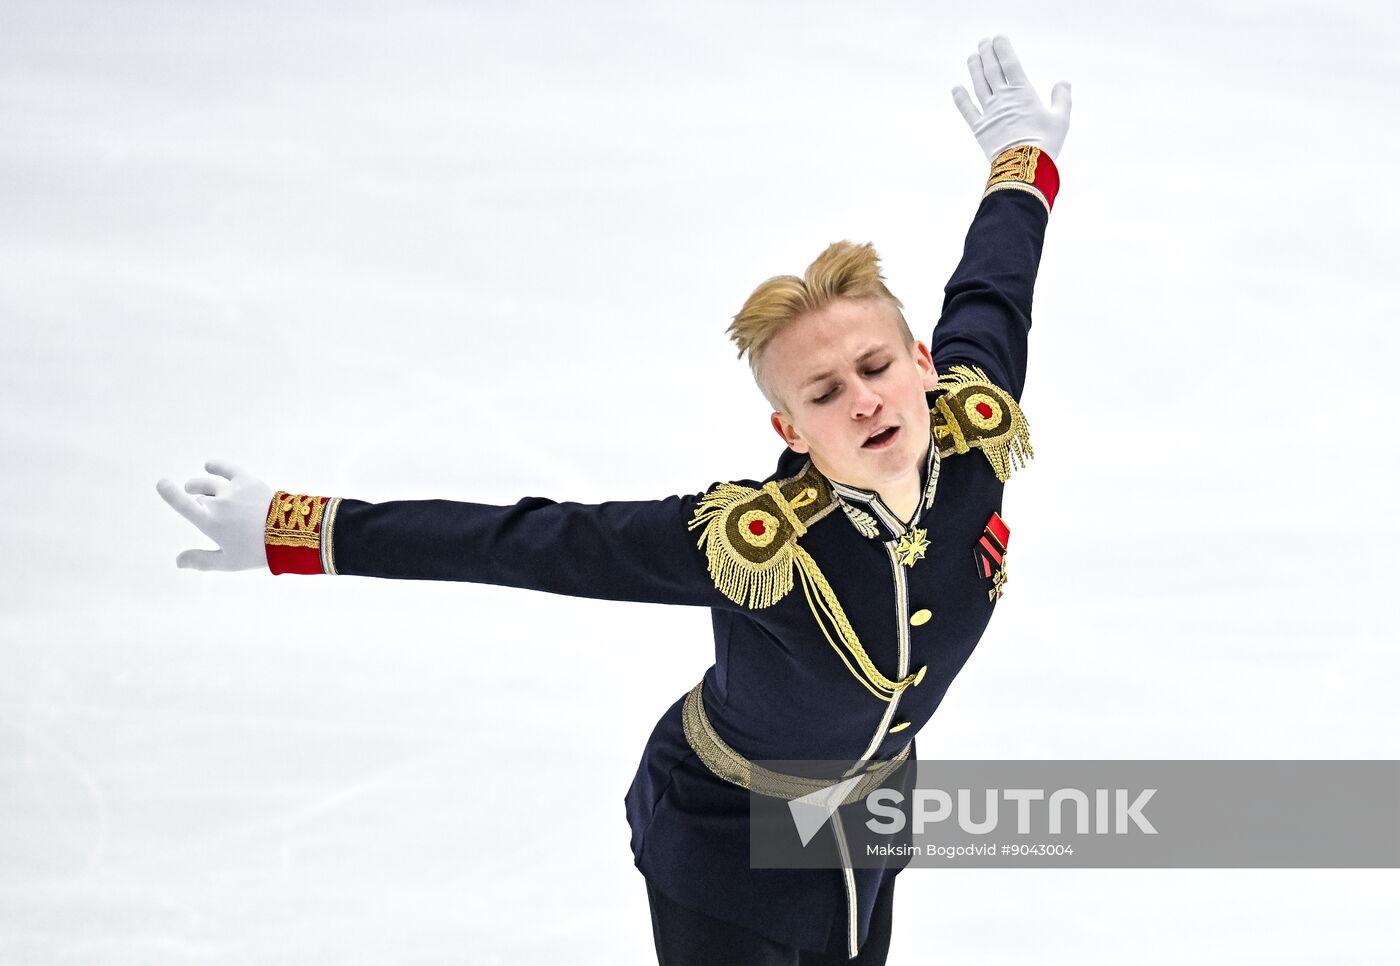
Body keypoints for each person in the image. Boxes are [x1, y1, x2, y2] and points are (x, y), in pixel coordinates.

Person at [157, 34, 1071, 965]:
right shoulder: (756, 547)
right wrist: (297, 530)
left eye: (875, 367)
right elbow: (528, 543)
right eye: (825, 393)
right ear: (789, 431)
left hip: (869, 821)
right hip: (728, 838)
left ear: (921, 366)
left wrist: (1021, 162)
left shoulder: (973, 428)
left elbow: (996, 288)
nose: (864, 399)